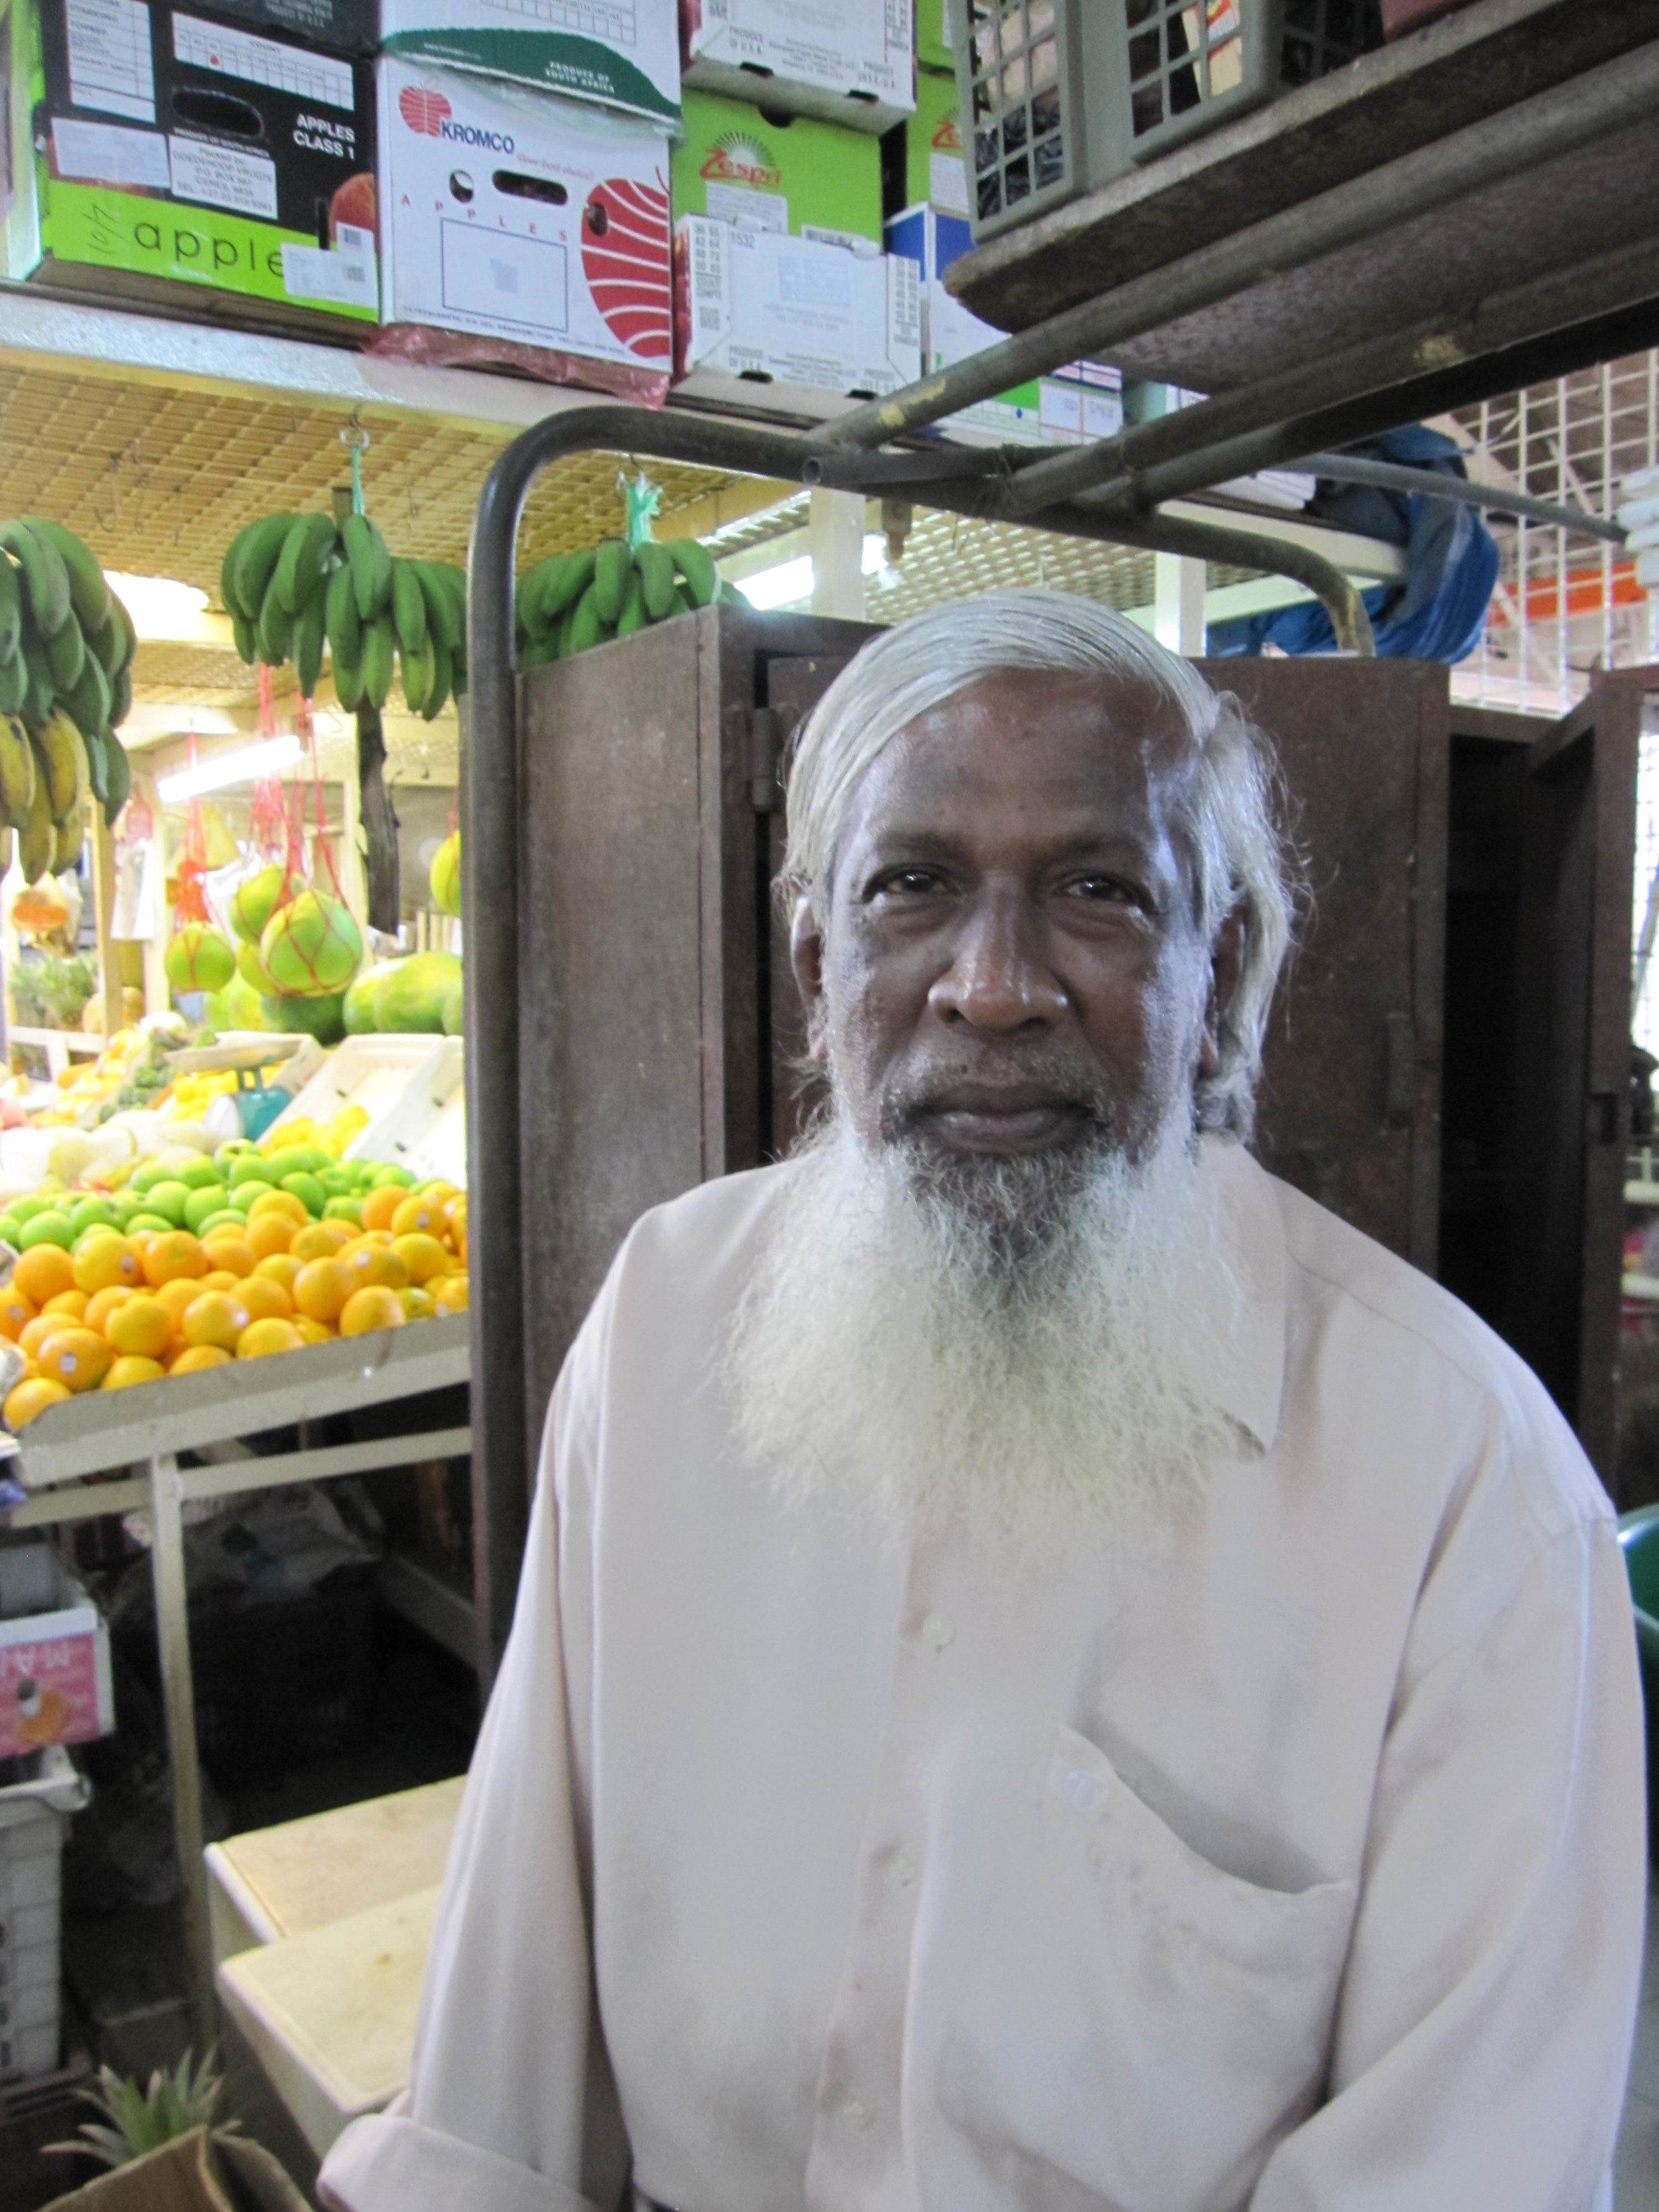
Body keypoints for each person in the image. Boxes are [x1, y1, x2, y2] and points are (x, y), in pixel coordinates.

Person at [321, 591, 1646, 2212]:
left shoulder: (1461, 1480)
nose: (993, 984)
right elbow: (512, 2003)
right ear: (819, 961)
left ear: (1216, 966)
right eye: (911, 888)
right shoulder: (672, 1316)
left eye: (1096, 890)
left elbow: (1467, 2172)